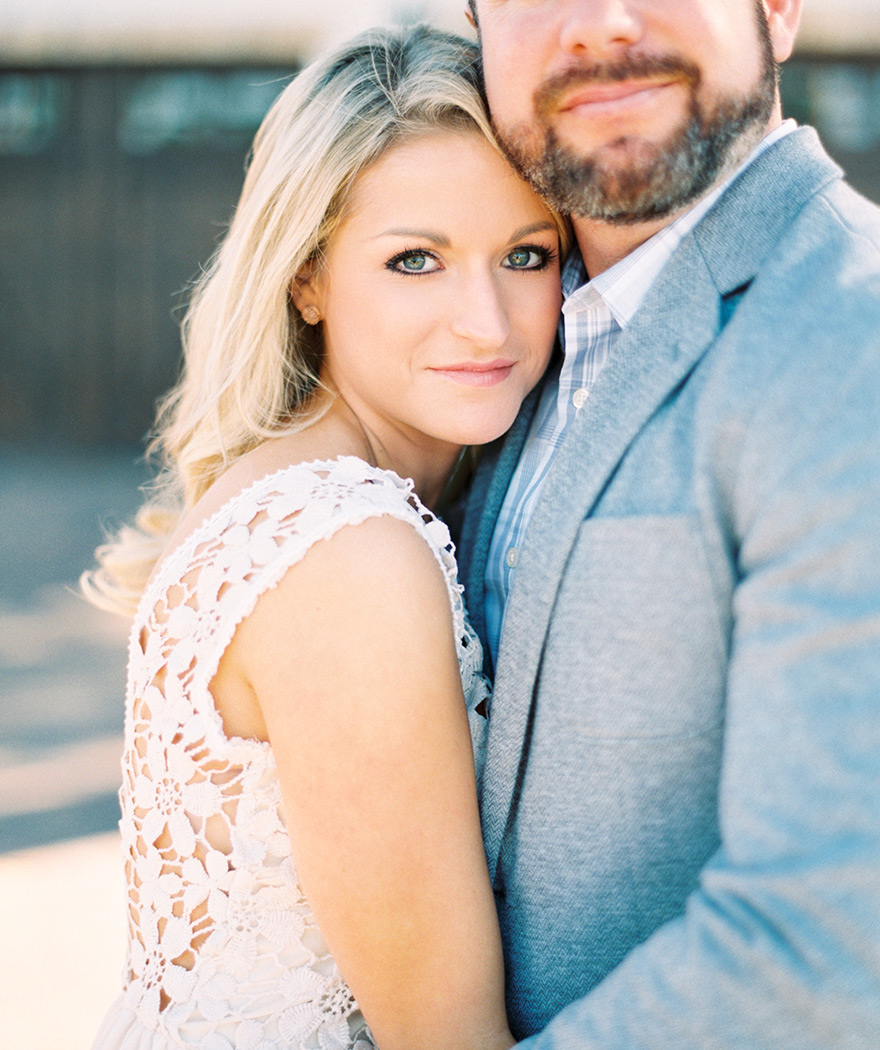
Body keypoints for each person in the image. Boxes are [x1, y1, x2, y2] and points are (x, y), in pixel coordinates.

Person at [83, 24, 566, 1050]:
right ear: (307, 278)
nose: (485, 321)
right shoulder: (346, 556)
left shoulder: (303, 499)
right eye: (415, 261)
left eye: (525, 254)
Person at [457, 1, 880, 1047]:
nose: (597, 26)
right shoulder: (515, 331)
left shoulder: (848, 333)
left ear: (777, 9)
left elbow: (828, 946)